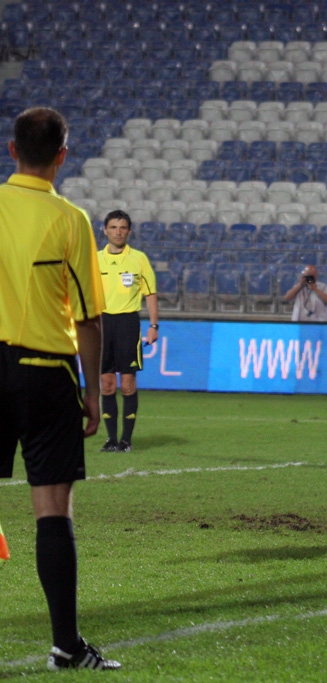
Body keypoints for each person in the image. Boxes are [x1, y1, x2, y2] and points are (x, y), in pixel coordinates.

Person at [0, 107, 121, 671]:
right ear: (62, 156)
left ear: (10, 149)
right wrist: (93, 394)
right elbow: (90, 319)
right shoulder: (70, 219)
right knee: (52, 508)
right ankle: (66, 647)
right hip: (45, 372)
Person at [97, 209, 158, 453]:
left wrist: (154, 326)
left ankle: (126, 440)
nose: (118, 231)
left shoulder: (139, 259)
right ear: (105, 230)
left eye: (122, 228)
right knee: (107, 384)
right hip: (101, 324)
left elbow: (150, 294)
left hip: (127, 323)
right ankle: (111, 439)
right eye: (113, 227)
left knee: (128, 384)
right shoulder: (94, 259)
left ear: (129, 231)